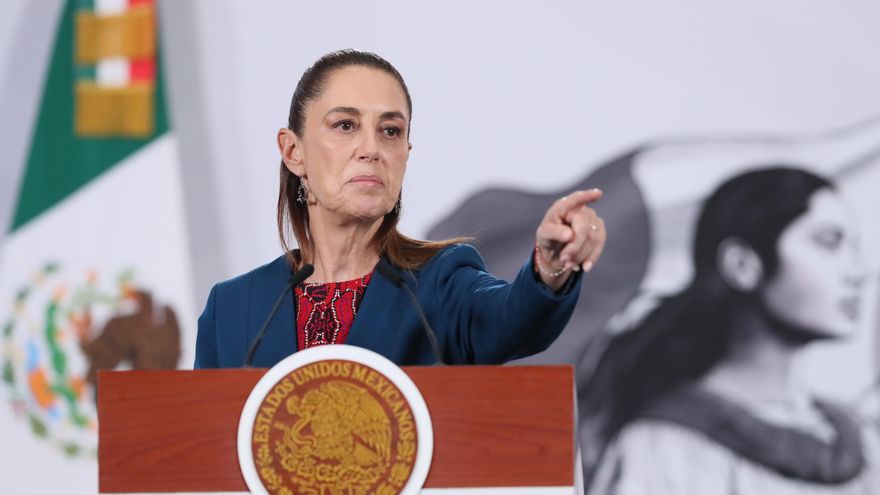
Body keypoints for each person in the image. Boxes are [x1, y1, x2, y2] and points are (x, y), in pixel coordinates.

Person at [195, 50, 607, 368]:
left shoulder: (440, 282)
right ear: (293, 152)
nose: (371, 149)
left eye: (390, 131)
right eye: (345, 125)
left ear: (405, 154)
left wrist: (551, 267)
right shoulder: (231, 308)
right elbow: (202, 443)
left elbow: (514, 320)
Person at [583, 167, 878, 494]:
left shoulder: (863, 441)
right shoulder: (662, 446)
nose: (859, 271)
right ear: (742, 265)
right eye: (829, 243)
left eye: (854, 248)